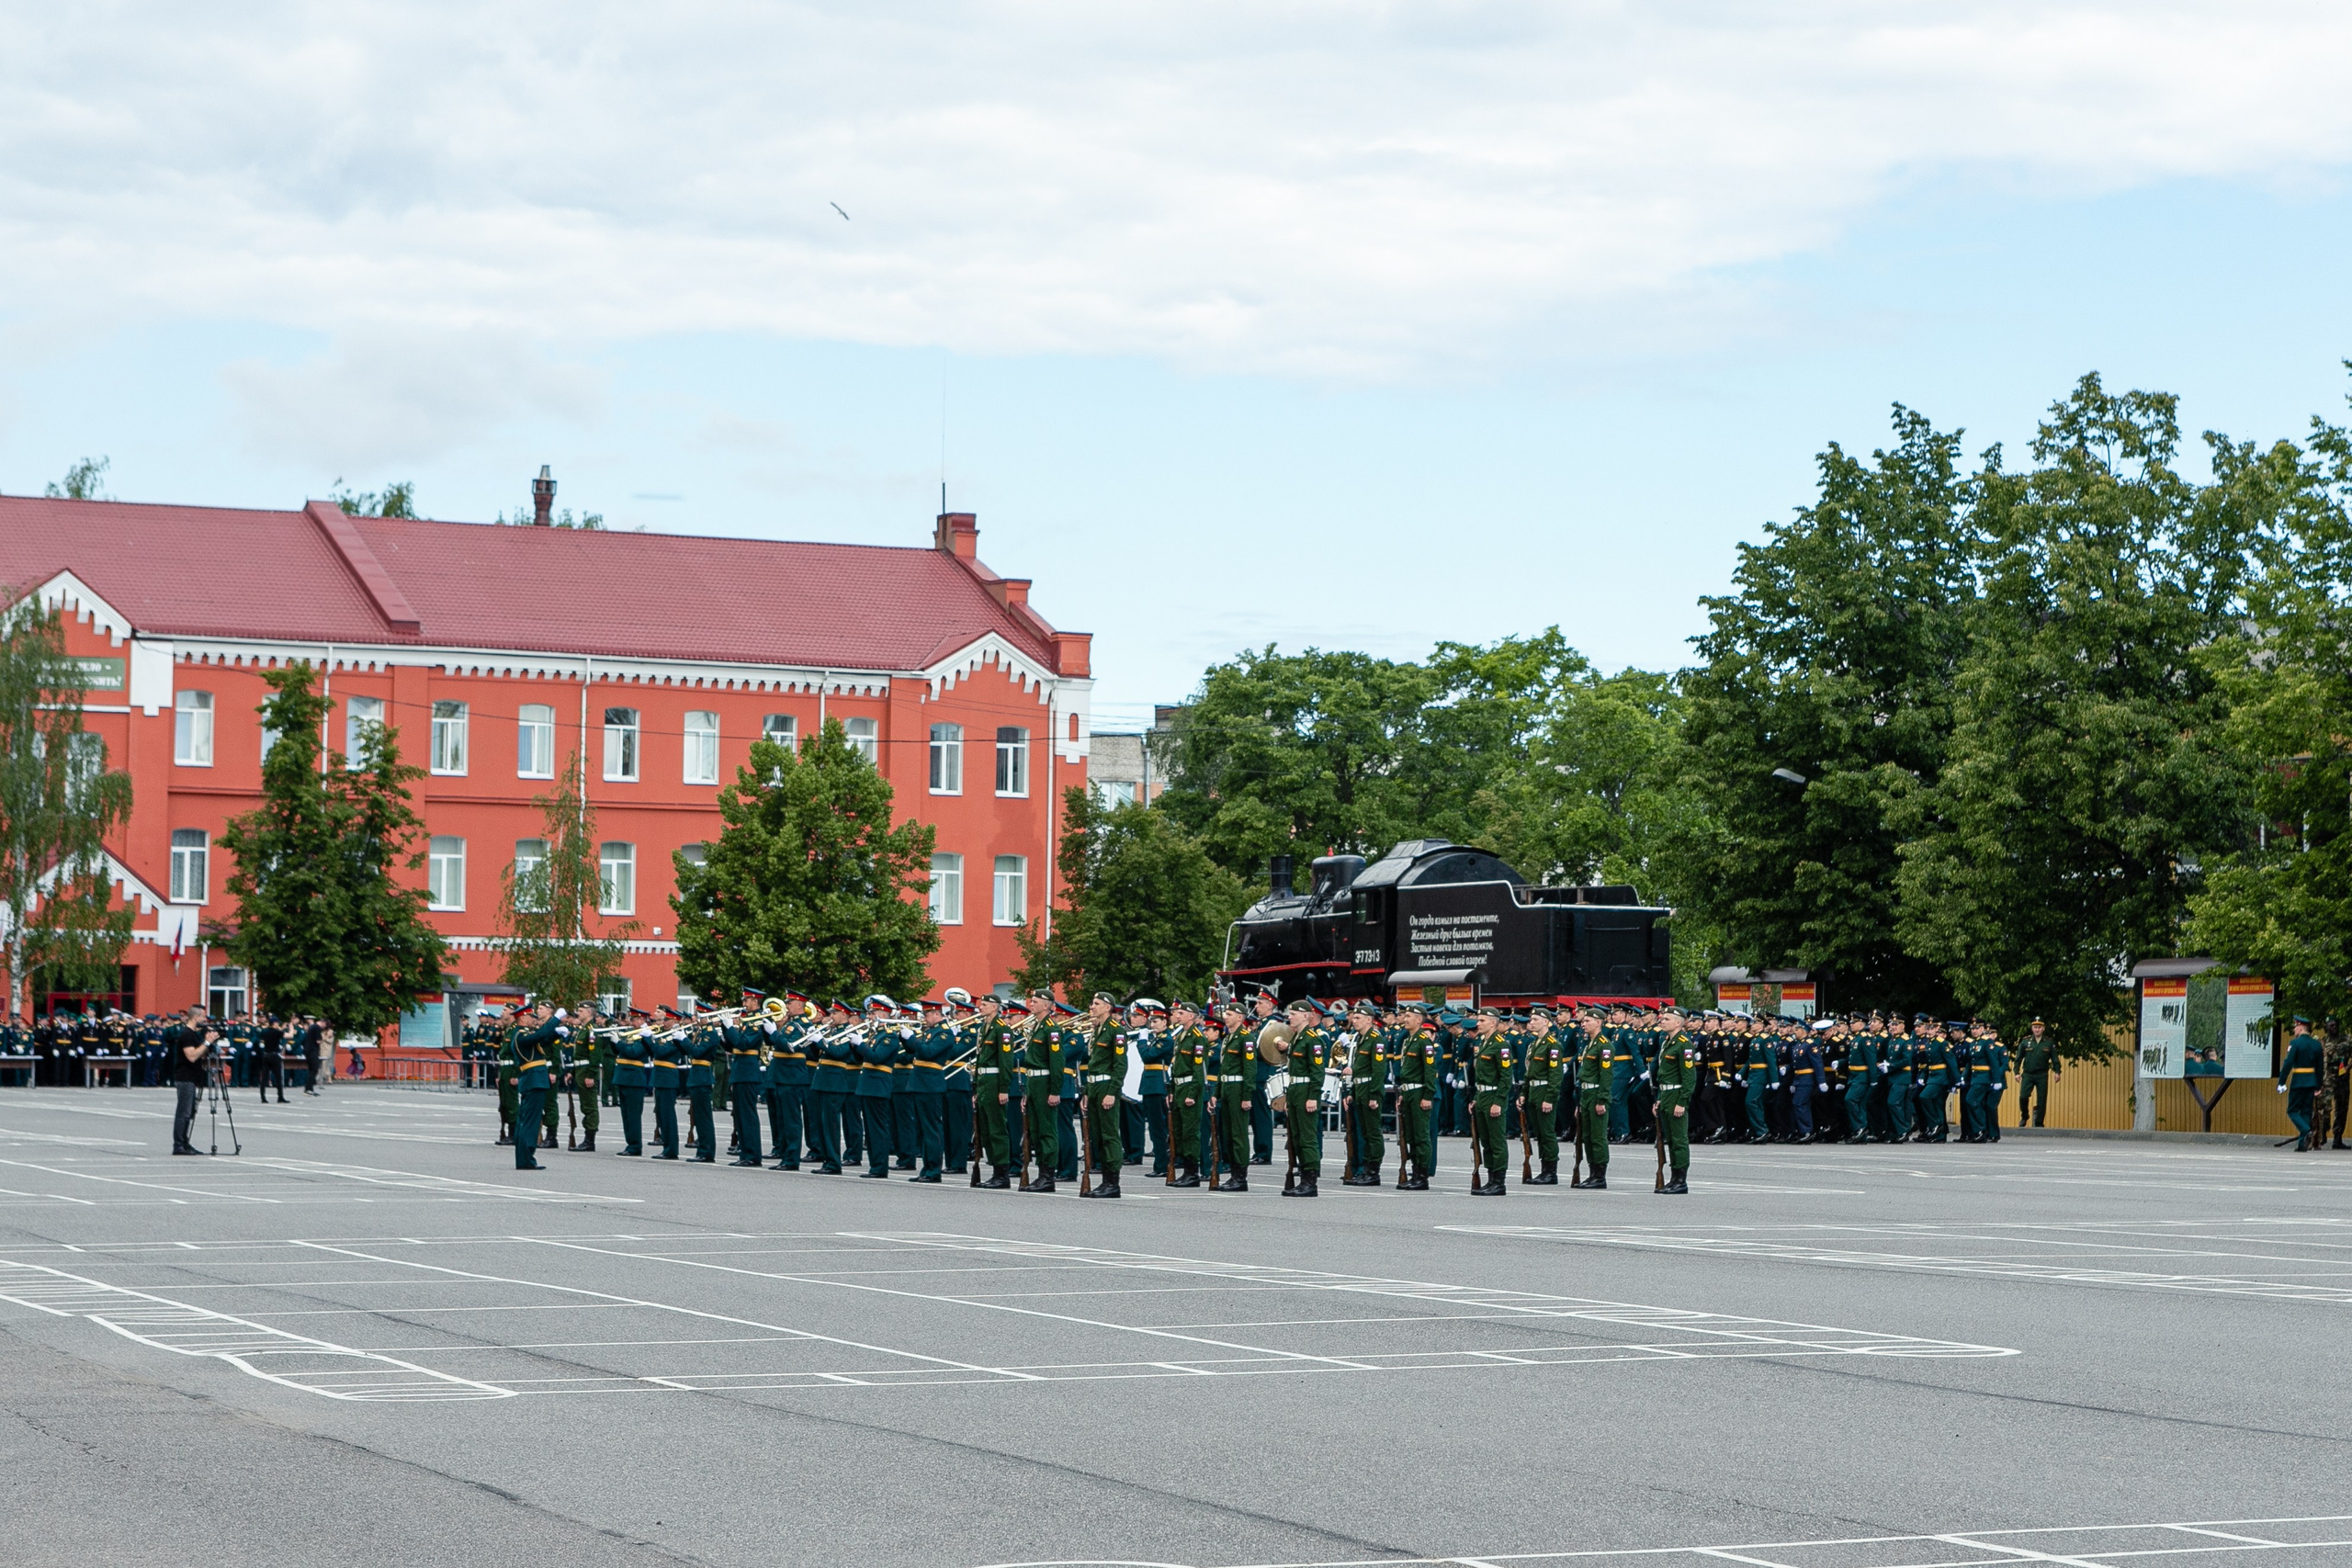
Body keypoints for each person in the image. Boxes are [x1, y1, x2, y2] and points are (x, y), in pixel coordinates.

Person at [1078, 992, 1128, 1198]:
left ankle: (1112, 1183)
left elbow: (1120, 1065)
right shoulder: (1097, 1030)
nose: (1092, 1007)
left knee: (1109, 1135)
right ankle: (1105, 1180)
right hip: (1094, 1086)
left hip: (1107, 1086)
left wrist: (1112, 1092)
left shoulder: (1116, 1030)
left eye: (1096, 1003)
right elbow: (1093, 1065)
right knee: (1097, 1136)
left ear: (1108, 1007)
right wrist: (1087, 1093)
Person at [1281, 998, 1329, 1196]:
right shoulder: (1296, 1038)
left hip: (1306, 1090)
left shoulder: (1312, 1039)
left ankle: (1310, 1181)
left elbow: (1317, 1071)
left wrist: (1313, 1096)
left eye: (1294, 1014)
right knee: (1297, 1137)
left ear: (1306, 1016)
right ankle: (1302, 1177)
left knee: (1308, 1137)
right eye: (1290, 1013)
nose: (1290, 1017)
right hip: (1295, 1090)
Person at [1517, 1002, 1565, 1184]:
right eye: (1531, 1019)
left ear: (1546, 1022)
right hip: (1533, 1092)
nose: (1531, 1022)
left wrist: (1550, 1098)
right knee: (1539, 1133)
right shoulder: (1533, 1045)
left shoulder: (1552, 1045)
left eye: (1535, 1019)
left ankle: (1550, 1172)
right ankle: (1544, 1170)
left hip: (1544, 1092)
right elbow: (1529, 1072)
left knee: (1547, 1133)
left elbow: (1555, 1075)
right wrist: (1523, 1093)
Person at [1163, 999, 1210, 1187]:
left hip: (1190, 1087)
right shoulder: (1180, 1036)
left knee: (1190, 1132)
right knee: (1179, 1131)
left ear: (1191, 1016)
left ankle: (1192, 1173)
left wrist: (1192, 1094)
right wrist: (1172, 1091)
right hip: (1179, 1087)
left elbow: (1199, 1070)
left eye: (1181, 1013)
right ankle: (1185, 1171)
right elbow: (1176, 1067)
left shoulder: (1198, 1038)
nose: (1177, 1015)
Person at [1021, 991, 1063, 1192]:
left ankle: (1048, 1176)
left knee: (1047, 1131)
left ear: (1046, 1006)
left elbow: (1057, 1063)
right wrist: (1027, 1092)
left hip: (1045, 1083)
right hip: (1034, 1083)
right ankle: (1041, 1174)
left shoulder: (1051, 1029)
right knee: (1036, 1131)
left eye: (1035, 1001)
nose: (1031, 1004)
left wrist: (1055, 1090)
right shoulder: (1037, 1026)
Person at [1341, 1000, 1387, 1185]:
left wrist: (1374, 1095)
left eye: (1358, 1018)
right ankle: (1366, 1169)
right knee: (1365, 1133)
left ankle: (1373, 1171)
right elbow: (1358, 1070)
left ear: (1369, 1020)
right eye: (1354, 1018)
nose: (1354, 1021)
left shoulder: (1376, 1039)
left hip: (1369, 1090)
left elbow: (1378, 1070)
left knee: (1373, 1133)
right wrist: (1352, 1092)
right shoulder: (1360, 1039)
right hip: (1360, 1089)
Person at [1653, 1010, 1698, 1193]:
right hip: (1666, 1095)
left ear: (1678, 1023)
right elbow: (1664, 1076)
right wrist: (1659, 1099)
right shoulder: (1667, 1043)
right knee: (1670, 1139)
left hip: (1677, 1095)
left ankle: (1680, 1180)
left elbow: (1689, 1077)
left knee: (1679, 1139)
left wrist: (1682, 1102)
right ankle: (1673, 1178)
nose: (1662, 1021)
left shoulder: (1683, 1045)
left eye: (1667, 1019)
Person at [1214, 1001, 1254, 1191]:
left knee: (1238, 1134)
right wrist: (1216, 1093)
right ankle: (1233, 1174)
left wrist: (1247, 1096)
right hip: (1227, 1088)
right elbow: (1223, 1068)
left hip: (1238, 1089)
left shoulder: (1245, 1038)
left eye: (1229, 1014)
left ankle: (1240, 1177)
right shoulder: (1229, 1038)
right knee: (1228, 1134)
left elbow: (1250, 1069)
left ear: (1240, 1017)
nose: (1225, 1017)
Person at [166, 1007, 214, 1155]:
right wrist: (207, 1043)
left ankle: (185, 1142)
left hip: (193, 1077)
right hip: (185, 1077)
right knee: (184, 1112)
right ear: (195, 1017)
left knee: (190, 1112)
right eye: (203, 1017)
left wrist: (207, 1042)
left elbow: (200, 1054)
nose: (204, 1020)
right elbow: (192, 1056)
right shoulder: (186, 1034)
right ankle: (178, 1144)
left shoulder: (193, 1034)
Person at [1573, 1013, 1611, 1189]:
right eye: (1583, 1021)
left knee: (1597, 1136)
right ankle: (1592, 1173)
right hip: (1586, 1094)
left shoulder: (1604, 1045)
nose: (1583, 1024)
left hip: (1596, 1093)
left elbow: (1606, 1075)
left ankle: (1599, 1176)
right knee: (1587, 1136)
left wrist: (1602, 1100)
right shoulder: (1589, 1044)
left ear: (1598, 1022)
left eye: (1587, 1021)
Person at [2279, 1016, 2324, 1151]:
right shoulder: (2316, 1044)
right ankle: (2302, 1145)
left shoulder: (2295, 1043)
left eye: (2295, 1027)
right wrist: (2318, 1085)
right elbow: (2320, 1067)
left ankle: (2306, 1130)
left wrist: (2282, 1081)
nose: (2294, 1030)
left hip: (2298, 1080)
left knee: (2292, 1110)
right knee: (2306, 1111)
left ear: (2300, 1027)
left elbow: (2288, 1063)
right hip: (2311, 1081)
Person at [610, 1016, 651, 1155]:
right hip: (623, 1077)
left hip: (634, 1079)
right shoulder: (630, 1033)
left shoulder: (645, 1035)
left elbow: (633, 1052)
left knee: (633, 1116)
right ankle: (630, 1144)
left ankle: (635, 1146)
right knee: (626, 1116)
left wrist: (619, 1043)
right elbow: (618, 1052)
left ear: (641, 1020)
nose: (631, 1022)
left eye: (634, 1019)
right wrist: (613, 1041)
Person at [2016, 1019, 2059, 1127]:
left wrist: (2057, 1072)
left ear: (2043, 1028)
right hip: (2028, 1074)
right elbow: (2018, 1058)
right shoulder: (2025, 1041)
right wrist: (2016, 1072)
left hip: (2042, 1074)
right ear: (2032, 1028)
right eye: (2035, 1027)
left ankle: (2039, 1123)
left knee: (2042, 1099)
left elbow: (2055, 1059)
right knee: (2023, 1096)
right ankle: (2024, 1116)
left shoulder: (2049, 1042)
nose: (2037, 1029)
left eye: (2039, 1027)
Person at [254, 1015, 288, 1104]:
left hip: (266, 1055)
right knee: (278, 1077)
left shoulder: (265, 1031)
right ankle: (280, 1097)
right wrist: (289, 1028)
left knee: (264, 1077)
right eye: (277, 1023)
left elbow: (260, 1038)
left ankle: (263, 1097)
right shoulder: (277, 1032)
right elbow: (289, 1035)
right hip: (274, 1055)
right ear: (274, 1023)